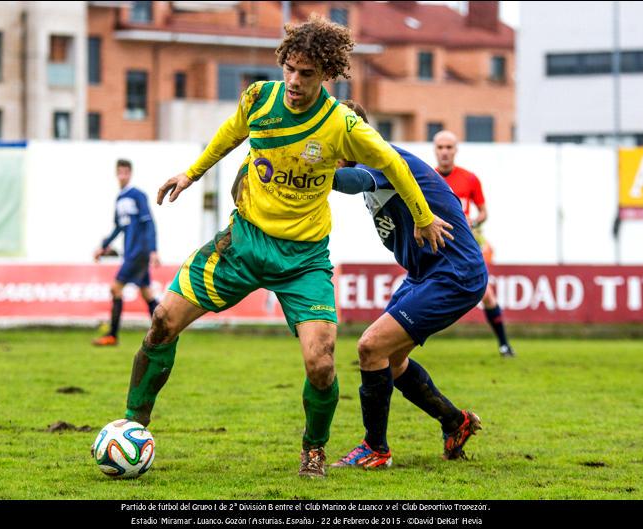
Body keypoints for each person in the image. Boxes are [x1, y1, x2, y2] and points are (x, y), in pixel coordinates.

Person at [120, 15, 453, 479]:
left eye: (307, 74)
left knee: (321, 364)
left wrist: (422, 215)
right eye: (290, 69)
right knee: (161, 320)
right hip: (242, 242)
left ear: (327, 75)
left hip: (303, 261)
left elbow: (393, 163)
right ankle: (133, 425)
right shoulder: (259, 98)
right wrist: (190, 173)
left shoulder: (342, 124)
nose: (295, 81)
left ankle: (313, 450)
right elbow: (230, 134)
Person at [329, 101, 485, 469]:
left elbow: (350, 183)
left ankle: (375, 449)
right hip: (426, 275)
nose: (327, 148)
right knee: (391, 360)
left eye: (331, 140)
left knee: (370, 347)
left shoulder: (381, 158)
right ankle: (454, 421)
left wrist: (303, 168)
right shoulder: (378, 164)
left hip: (454, 273)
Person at [433, 131, 516, 358]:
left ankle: (504, 344)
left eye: (449, 147)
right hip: (438, 243)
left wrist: (473, 221)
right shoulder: (428, 177)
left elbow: (484, 212)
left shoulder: (469, 179)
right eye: (440, 147)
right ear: (435, 150)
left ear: (456, 150)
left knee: (487, 294)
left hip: (465, 244)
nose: (445, 152)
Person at [93, 159, 160, 346]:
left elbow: (149, 223)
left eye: (125, 172)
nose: (122, 175)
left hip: (139, 251)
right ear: (117, 174)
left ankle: (112, 335)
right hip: (131, 250)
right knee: (147, 293)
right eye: (120, 172)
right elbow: (118, 227)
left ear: (130, 174)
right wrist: (103, 246)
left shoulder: (137, 195)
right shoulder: (120, 198)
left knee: (115, 288)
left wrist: (153, 250)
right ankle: (165, 331)